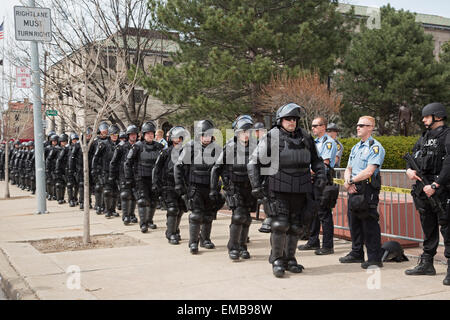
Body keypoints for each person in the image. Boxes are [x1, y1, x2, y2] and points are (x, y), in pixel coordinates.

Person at [248, 102, 327, 277]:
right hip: (278, 189)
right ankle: (277, 260)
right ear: (280, 120)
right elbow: (254, 162)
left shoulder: (305, 137)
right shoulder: (271, 137)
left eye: (294, 119)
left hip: (301, 189)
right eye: (288, 119)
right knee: (280, 225)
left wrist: (321, 177)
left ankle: (290, 258)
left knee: (296, 227)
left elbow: (317, 161)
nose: (292, 122)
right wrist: (256, 187)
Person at [404, 102, 450, 285]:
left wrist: (436, 184)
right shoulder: (424, 137)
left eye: (426, 116)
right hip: (423, 190)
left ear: (437, 116)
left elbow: (448, 164)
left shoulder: (447, 136)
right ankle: (427, 263)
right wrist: (409, 170)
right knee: (428, 227)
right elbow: (413, 157)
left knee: (447, 229)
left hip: (441, 190)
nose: (423, 120)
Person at [340, 116, 385, 269]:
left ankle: (374, 258)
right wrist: (347, 181)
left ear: (371, 127)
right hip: (353, 188)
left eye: (362, 125)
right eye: (357, 125)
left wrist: (352, 181)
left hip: (366, 189)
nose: (358, 127)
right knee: (354, 222)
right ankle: (356, 252)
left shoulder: (375, 147)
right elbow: (349, 168)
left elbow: (370, 171)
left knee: (369, 223)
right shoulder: (355, 147)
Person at [174, 119, 224, 254]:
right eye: (203, 135)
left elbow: (222, 169)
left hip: (210, 187)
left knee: (208, 215)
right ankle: (193, 243)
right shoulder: (190, 147)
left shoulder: (217, 149)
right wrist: (179, 185)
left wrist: (223, 186)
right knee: (196, 216)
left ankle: (205, 239)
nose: (206, 138)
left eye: (208, 135)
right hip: (195, 187)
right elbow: (178, 166)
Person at [211, 116, 257, 260]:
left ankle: (243, 246)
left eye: (248, 131)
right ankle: (233, 247)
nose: (246, 134)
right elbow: (216, 168)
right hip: (234, 186)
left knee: (247, 218)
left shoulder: (256, 147)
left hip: (249, 187)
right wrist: (214, 189)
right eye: (243, 131)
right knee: (238, 217)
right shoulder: (230, 147)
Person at [299, 117, 338, 255]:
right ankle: (313, 241)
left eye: (316, 126)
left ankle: (328, 245)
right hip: (312, 180)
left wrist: (307, 171)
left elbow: (324, 163)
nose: (313, 128)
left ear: (323, 127)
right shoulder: (314, 142)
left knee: (324, 213)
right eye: (312, 126)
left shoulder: (329, 143)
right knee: (314, 212)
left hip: (322, 180)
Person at [124, 121, 164, 233]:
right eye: (148, 133)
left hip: (154, 178)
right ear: (143, 134)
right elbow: (128, 163)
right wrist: (128, 178)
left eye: (152, 133)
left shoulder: (159, 147)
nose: (150, 135)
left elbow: (163, 164)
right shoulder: (137, 147)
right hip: (141, 178)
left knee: (154, 201)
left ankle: (150, 220)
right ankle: (143, 223)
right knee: (142, 201)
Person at [153, 126, 189, 244]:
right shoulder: (165, 152)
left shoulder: (186, 152)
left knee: (181, 209)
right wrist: (156, 184)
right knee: (173, 209)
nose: (178, 140)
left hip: (181, 185)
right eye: (176, 138)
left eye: (180, 138)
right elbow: (156, 169)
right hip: (167, 185)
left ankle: (175, 229)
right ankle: (171, 233)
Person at [110, 124, 139, 225]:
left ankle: (131, 214)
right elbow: (113, 162)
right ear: (128, 135)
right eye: (131, 134)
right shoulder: (121, 147)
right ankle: (126, 215)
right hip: (123, 174)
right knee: (126, 195)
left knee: (134, 196)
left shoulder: (139, 146)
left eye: (135, 134)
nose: (133, 136)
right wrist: (112, 176)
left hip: (136, 175)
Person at [93, 124, 121, 218]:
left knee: (115, 192)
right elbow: (95, 158)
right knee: (107, 191)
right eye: (112, 134)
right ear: (109, 135)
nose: (114, 136)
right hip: (105, 171)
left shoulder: (119, 145)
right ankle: (107, 210)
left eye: (116, 134)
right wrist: (95, 170)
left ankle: (113, 209)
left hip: (116, 172)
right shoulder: (103, 144)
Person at [91, 122, 110, 214]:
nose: (105, 132)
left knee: (106, 188)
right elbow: (92, 156)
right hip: (98, 167)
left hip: (107, 167)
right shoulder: (95, 142)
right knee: (98, 187)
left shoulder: (110, 141)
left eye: (106, 130)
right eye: (103, 131)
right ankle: (98, 205)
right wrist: (93, 168)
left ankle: (105, 206)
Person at [54, 134, 70, 204]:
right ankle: (59, 198)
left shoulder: (68, 149)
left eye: (65, 142)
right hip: (58, 168)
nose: (64, 143)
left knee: (64, 184)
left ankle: (62, 198)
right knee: (58, 184)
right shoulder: (56, 149)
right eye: (62, 142)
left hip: (66, 168)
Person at [67, 133, 80, 207]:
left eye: (76, 140)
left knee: (77, 185)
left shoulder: (78, 147)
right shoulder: (68, 148)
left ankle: (75, 198)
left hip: (77, 168)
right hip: (69, 168)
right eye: (73, 140)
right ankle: (70, 199)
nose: (75, 141)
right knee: (70, 185)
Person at [45, 135, 60, 201]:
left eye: (55, 141)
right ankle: (49, 194)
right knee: (49, 181)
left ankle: (55, 195)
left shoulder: (59, 148)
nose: (54, 142)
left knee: (55, 181)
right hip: (49, 167)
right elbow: (46, 158)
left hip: (56, 167)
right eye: (53, 141)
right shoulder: (48, 148)